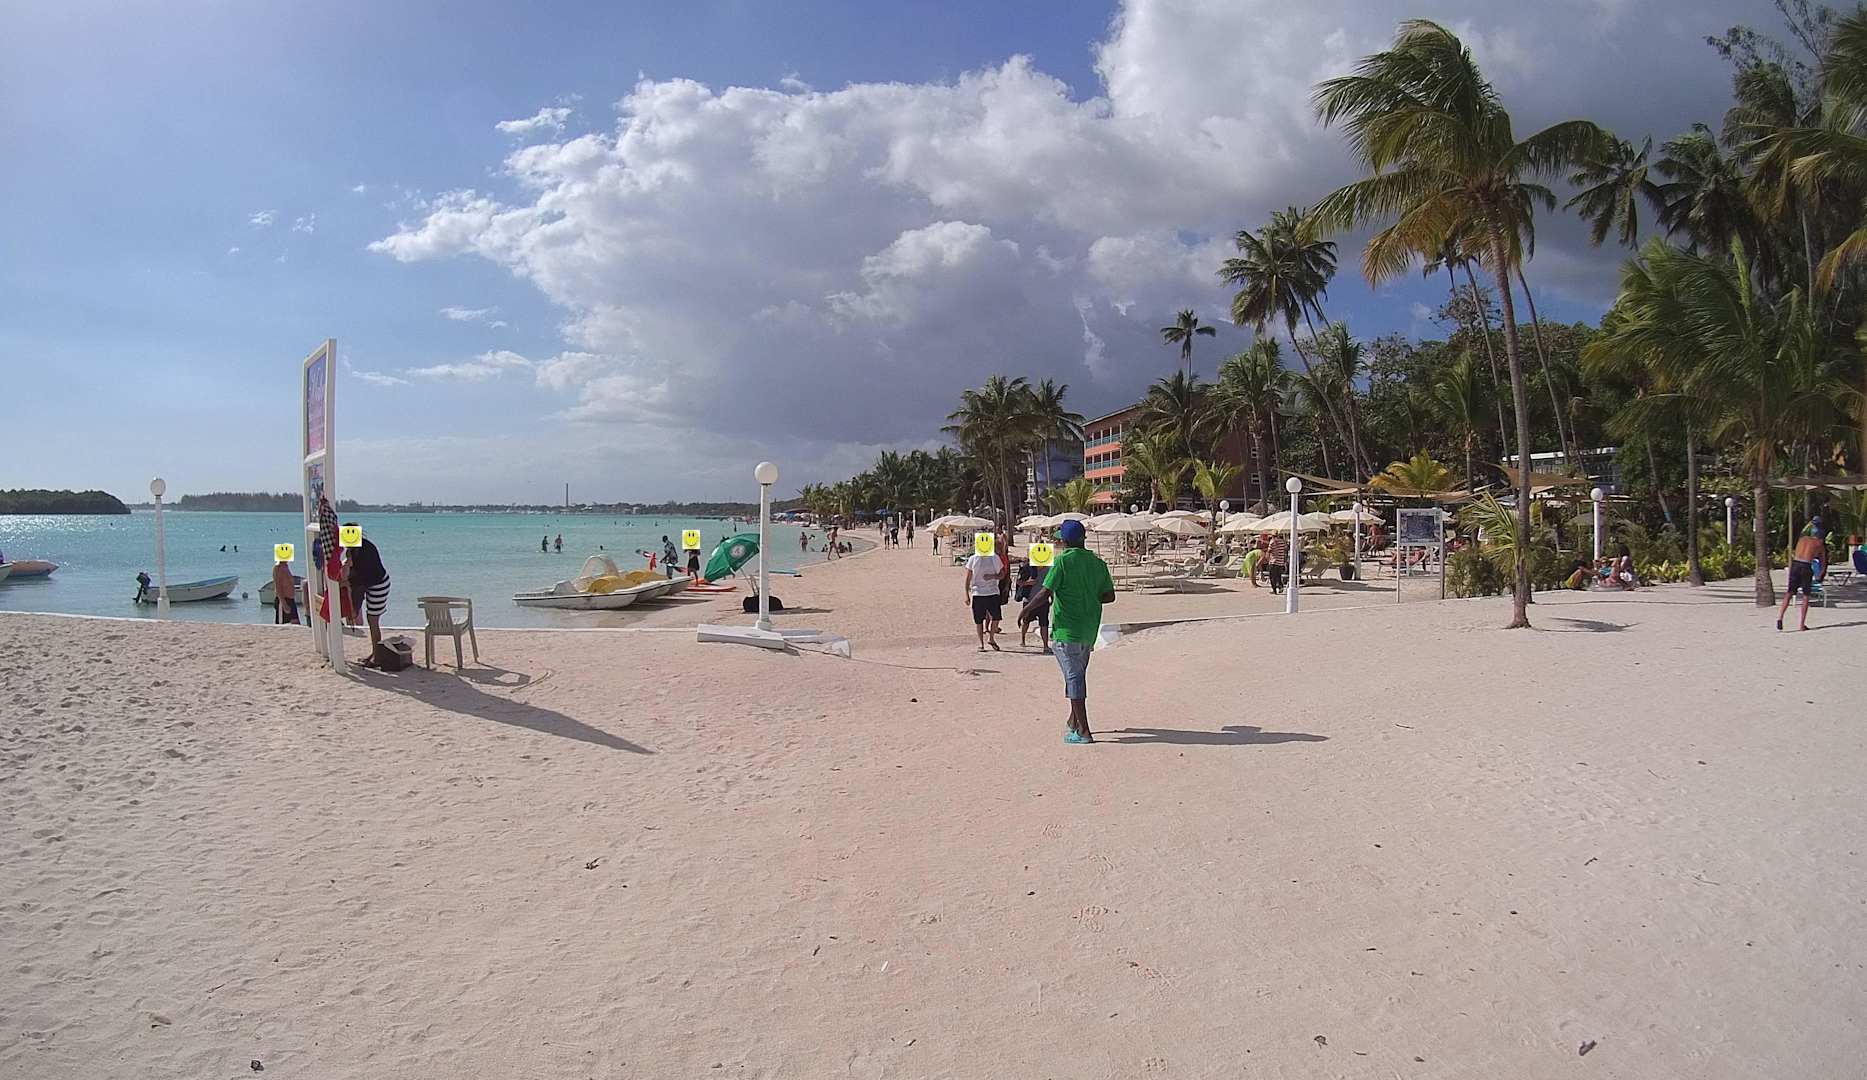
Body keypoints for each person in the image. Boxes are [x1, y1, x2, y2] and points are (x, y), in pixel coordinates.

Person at [1019, 519, 1115, 744]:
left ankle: (1084, 731)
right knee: (1077, 675)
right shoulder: (1098, 563)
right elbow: (1109, 596)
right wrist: (1088, 596)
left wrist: (1026, 610)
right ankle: (1073, 722)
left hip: (1066, 630)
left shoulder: (1062, 562)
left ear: (1064, 541)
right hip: (1089, 630)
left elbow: (1045, 592)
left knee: (1074, 678)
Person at [341, 526, 391, 664]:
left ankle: (377, 656)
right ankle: (375, 654)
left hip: (379, 584)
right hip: (372, 582)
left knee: (372, 619)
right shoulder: (355, 549)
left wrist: (348, 582)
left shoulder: (365, 550)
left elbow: (366, 576)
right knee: (372, 619)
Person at [1778, 518, 1828, 631]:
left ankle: (1780, 617)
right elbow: (1823, 563)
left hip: (1795, 564)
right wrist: (1820, 575)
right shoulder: (1819, 544)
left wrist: (1810, 523)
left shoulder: (1802, 539)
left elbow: (1805, 530)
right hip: (1806, 566)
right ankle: (1801, 625)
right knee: (1806, 596)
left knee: (1789, 593)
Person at [963, 538, 1005, 652]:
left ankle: (991, 638)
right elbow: (968, 578)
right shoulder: (973, 559)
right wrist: (966, 594)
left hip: (993, 592)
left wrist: (992, 576)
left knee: (996, 617)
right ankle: (981, 643)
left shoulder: (995, 558)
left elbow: (1002, 574)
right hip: (978, 593)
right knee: (979, 620)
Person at [1015, 558, 1051, 652]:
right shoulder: (1027, 567)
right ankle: (1023, 639)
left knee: (1044, 623)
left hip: (1043, 601)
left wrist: (1052, 597)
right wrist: (1027, 583)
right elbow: (1018, 582)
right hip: (1029, 600)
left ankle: (1045, 646)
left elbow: (1051, 585)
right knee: (1026, 621)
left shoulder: (1049, 569)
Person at [272, 557, 300, 625]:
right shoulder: (278, 568)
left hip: (290, 600)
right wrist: (284, 604)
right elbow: (278, 587)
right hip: (283, 600)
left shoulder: (286, 567)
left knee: (295, 624)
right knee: (283, 625)